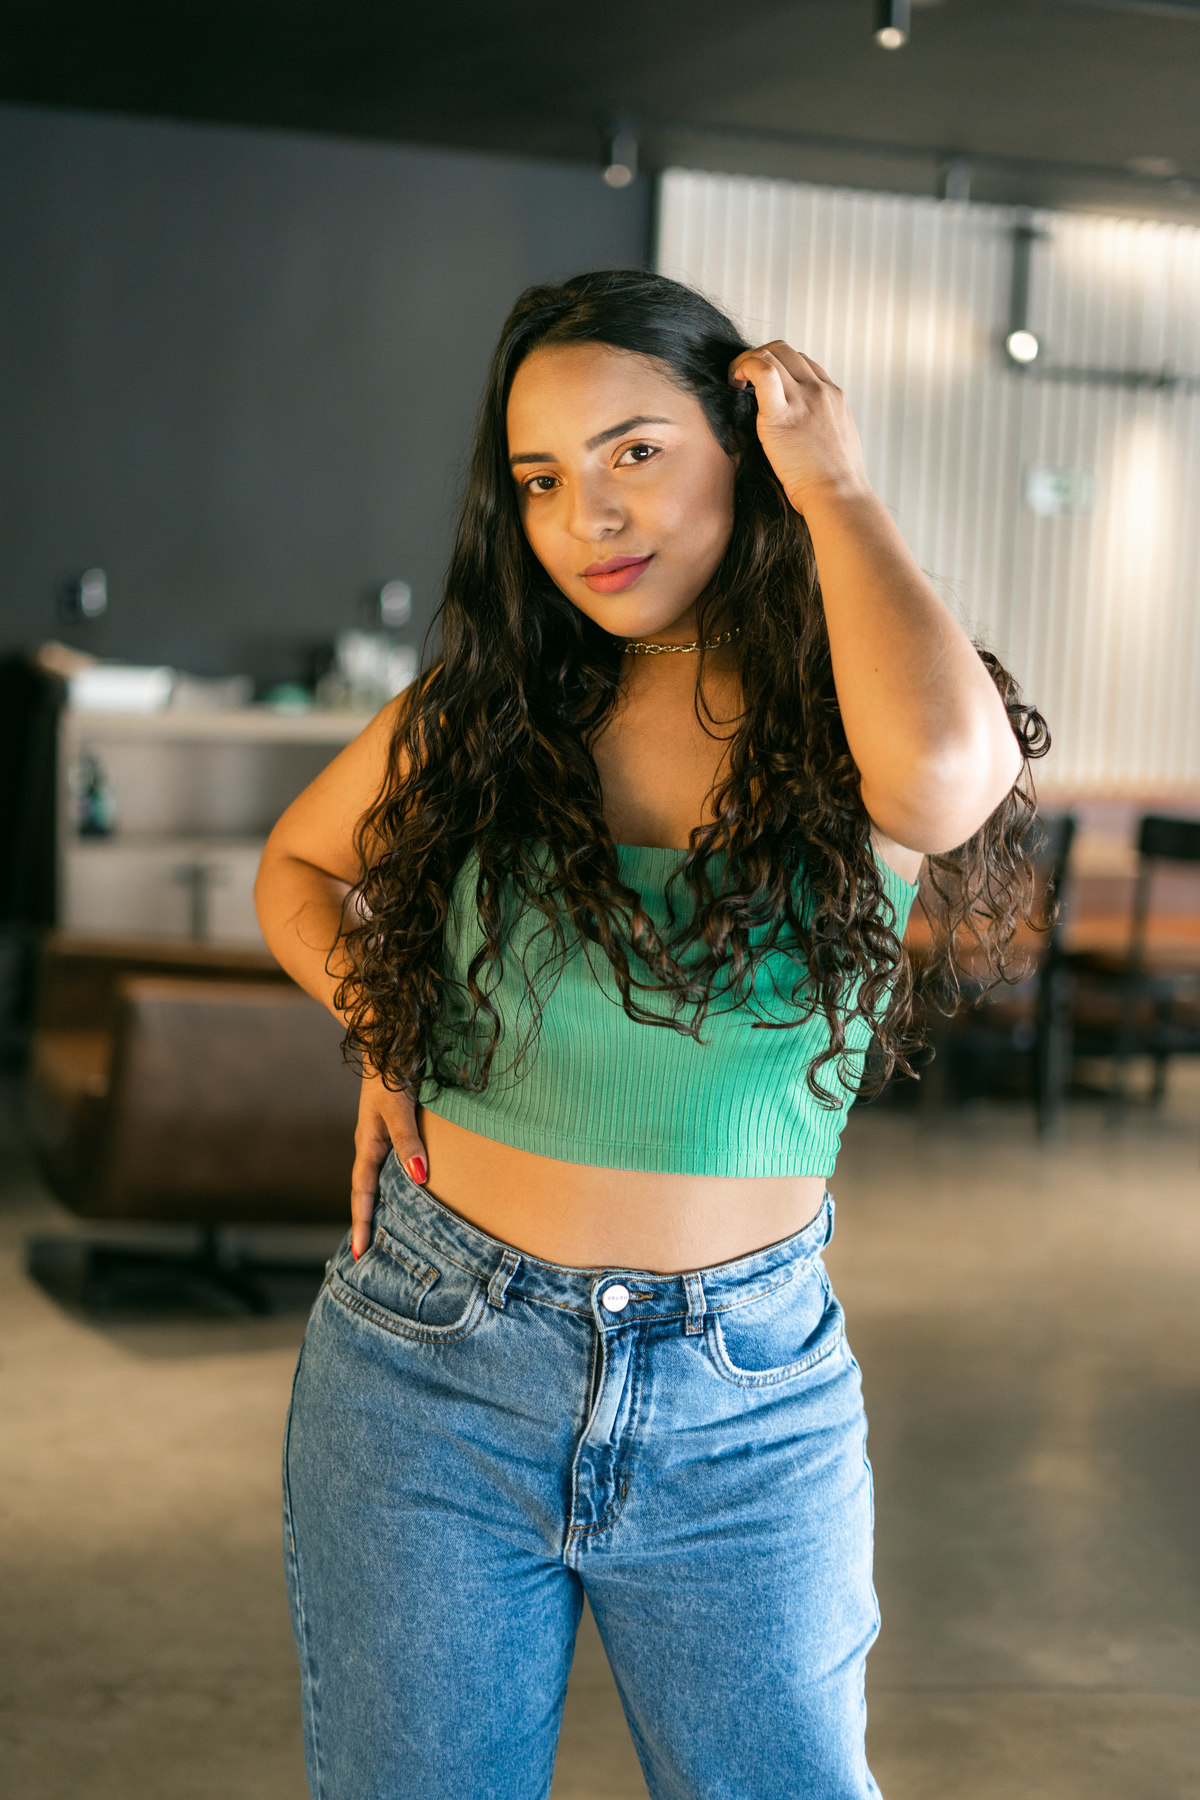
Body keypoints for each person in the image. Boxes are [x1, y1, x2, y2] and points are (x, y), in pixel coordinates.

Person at [254, 269, 1047, 1800]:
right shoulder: (494, 706)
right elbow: (299, 865)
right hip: (429, 1364)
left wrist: (842, 490)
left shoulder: (849, 705)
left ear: (741, 448)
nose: (587, 519)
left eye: (636, 453)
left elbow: (953, 779)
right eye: (541, 480)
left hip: (745, 1398)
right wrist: (387, 1023)